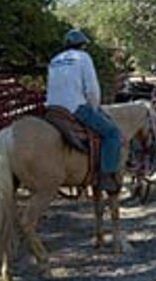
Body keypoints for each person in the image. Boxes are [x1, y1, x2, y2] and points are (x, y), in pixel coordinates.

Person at [46, 29, 122, 193]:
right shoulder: (83, 58)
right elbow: (92, 89)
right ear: (83, 45)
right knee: (113, 133)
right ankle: (106, 176)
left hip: (52, 109)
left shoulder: (54, 60)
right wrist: (94, 108)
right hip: (74, 108)